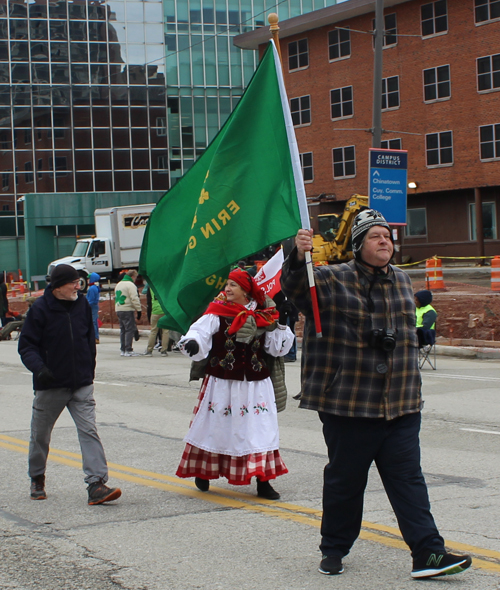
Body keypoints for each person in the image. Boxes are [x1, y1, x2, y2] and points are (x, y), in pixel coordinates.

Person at [281, 210, 471, 579]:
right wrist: (297, 255)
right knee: (346, 481)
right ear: (358, 245)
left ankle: (428, 554)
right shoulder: (332, 278)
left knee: (408, 480)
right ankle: (334, 547)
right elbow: (296, 289)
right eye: (374, 236)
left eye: (387, 235)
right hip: (350, 402)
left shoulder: (402, 279)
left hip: (400, 402)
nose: (384, 240)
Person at [176, 268, 294, 499]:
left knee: (260, 432)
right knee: (215, 429)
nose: (227, 289)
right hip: (222, 382)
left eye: (233, 285)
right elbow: (199, 333)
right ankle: (204, 471)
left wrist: (281, 323)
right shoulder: (216, 312)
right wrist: (192, 343)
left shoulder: (265, 315)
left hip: (256, 384)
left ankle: (264, 481)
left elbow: (276, 348)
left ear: (245, 290)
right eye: (227, 285)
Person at [18, 264, 122, 505]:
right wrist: (40, 369)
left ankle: (96, 484)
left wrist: (89, 370)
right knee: (40, 436)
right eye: (73, 282)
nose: (78, 286)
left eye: (79, 281)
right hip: (51, 385)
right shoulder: (40, 310)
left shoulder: (82, 305)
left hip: (81, 385)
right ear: (57, 287)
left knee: (89, 431)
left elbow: (88, 339)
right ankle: (37, 477)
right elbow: (26, 346)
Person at [114, 269, 142, 357]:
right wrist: (139, 309)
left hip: (119, 308)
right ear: (133, 277)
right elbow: (134, 298)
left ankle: (123, 349)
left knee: (123, 329)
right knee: (129, 329)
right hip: (127, 309)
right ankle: (128, 349)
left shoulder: (119, 284)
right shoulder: (130, 285)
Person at [143, 288, 169, 356]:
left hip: (155, 311)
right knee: (166, 331)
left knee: (154, 331)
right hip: (165, 310)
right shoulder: (165, 287)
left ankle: (149, 350)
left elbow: (149, 300)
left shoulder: (151, 287)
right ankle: (164, 350)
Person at [86, 272, 101, 344]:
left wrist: (86, 305)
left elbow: (91, 299)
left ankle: (95, 337)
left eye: (89, 278)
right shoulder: (95, 287)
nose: (87, 280)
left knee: (93, 322)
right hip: (94, 306)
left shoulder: (92, 288)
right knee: (94, 321)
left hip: (92, 306)